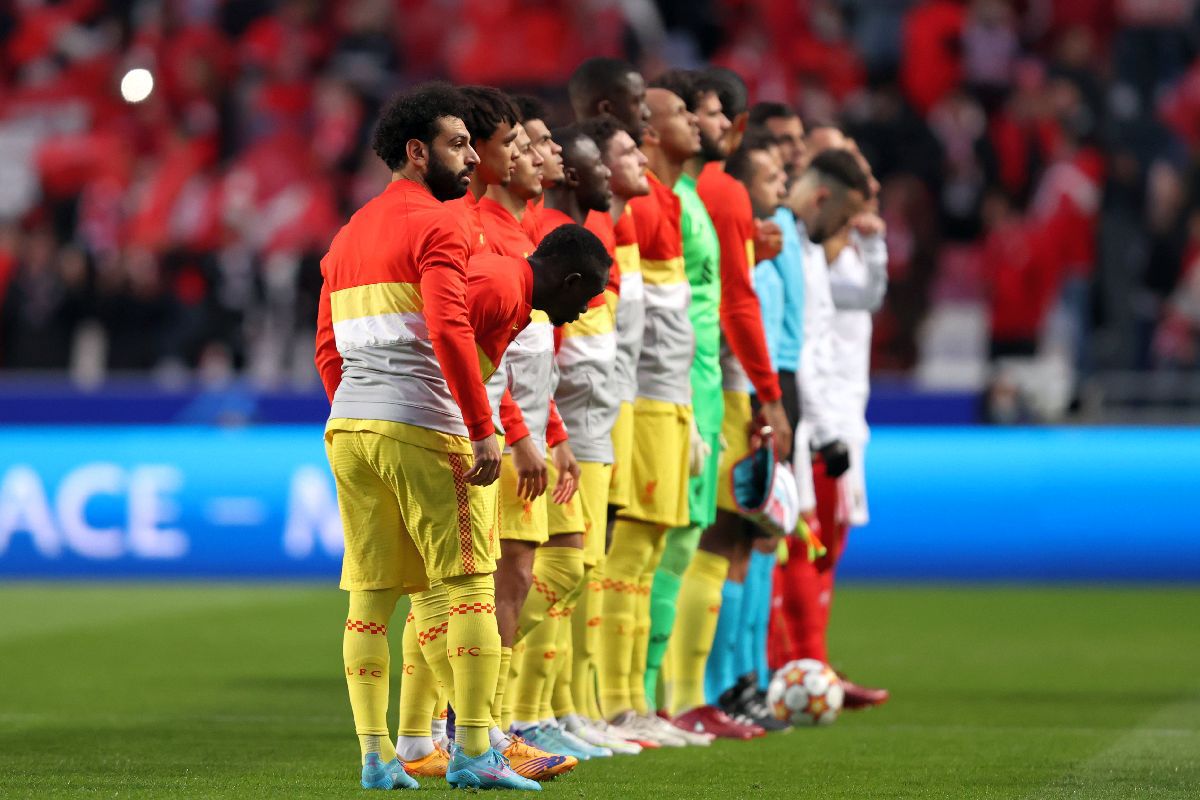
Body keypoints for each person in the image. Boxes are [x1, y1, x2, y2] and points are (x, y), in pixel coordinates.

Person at [316, 82, 604, 791]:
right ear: (417, 152)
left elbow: (326, 344)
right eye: (458, 144)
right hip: (423, 422)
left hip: (350, 427)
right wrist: (482, 430)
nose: (472, 157)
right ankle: (477, 750)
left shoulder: (349, 232)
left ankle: (378, 756)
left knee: (373, 597)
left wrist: (360, 410)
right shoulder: (440, 225)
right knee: (469, 585)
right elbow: (449, 327)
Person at [503, 123, 622, 762]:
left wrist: (550, 432)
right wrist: (524, 431)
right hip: (495, 435)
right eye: (529, 144)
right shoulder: (505, 236)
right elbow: (481, 355)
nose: (541, 153)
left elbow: (533, 360)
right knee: (479, 579)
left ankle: (528, 715)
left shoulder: (536, 232)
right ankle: (479, 723)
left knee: (557, 567)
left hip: (542, 431)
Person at [597, 83, 703, 748]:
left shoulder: (656, 204)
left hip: (660, 399)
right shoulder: (614, 213)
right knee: (612, 554)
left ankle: (627, 701)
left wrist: (687, 410)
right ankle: (602, 705)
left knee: (644, 551)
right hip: (627, 402)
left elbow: (660, 323)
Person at [768, 148, 874, 703]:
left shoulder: (799, 243)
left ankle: (791, 672)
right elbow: (793, 348)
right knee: (766, 546)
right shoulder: (780, 238)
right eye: (848, 213)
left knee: (790, 542)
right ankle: (761, 676)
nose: (848, 228)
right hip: (779, 413)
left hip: (803, 415)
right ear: (824, 197)